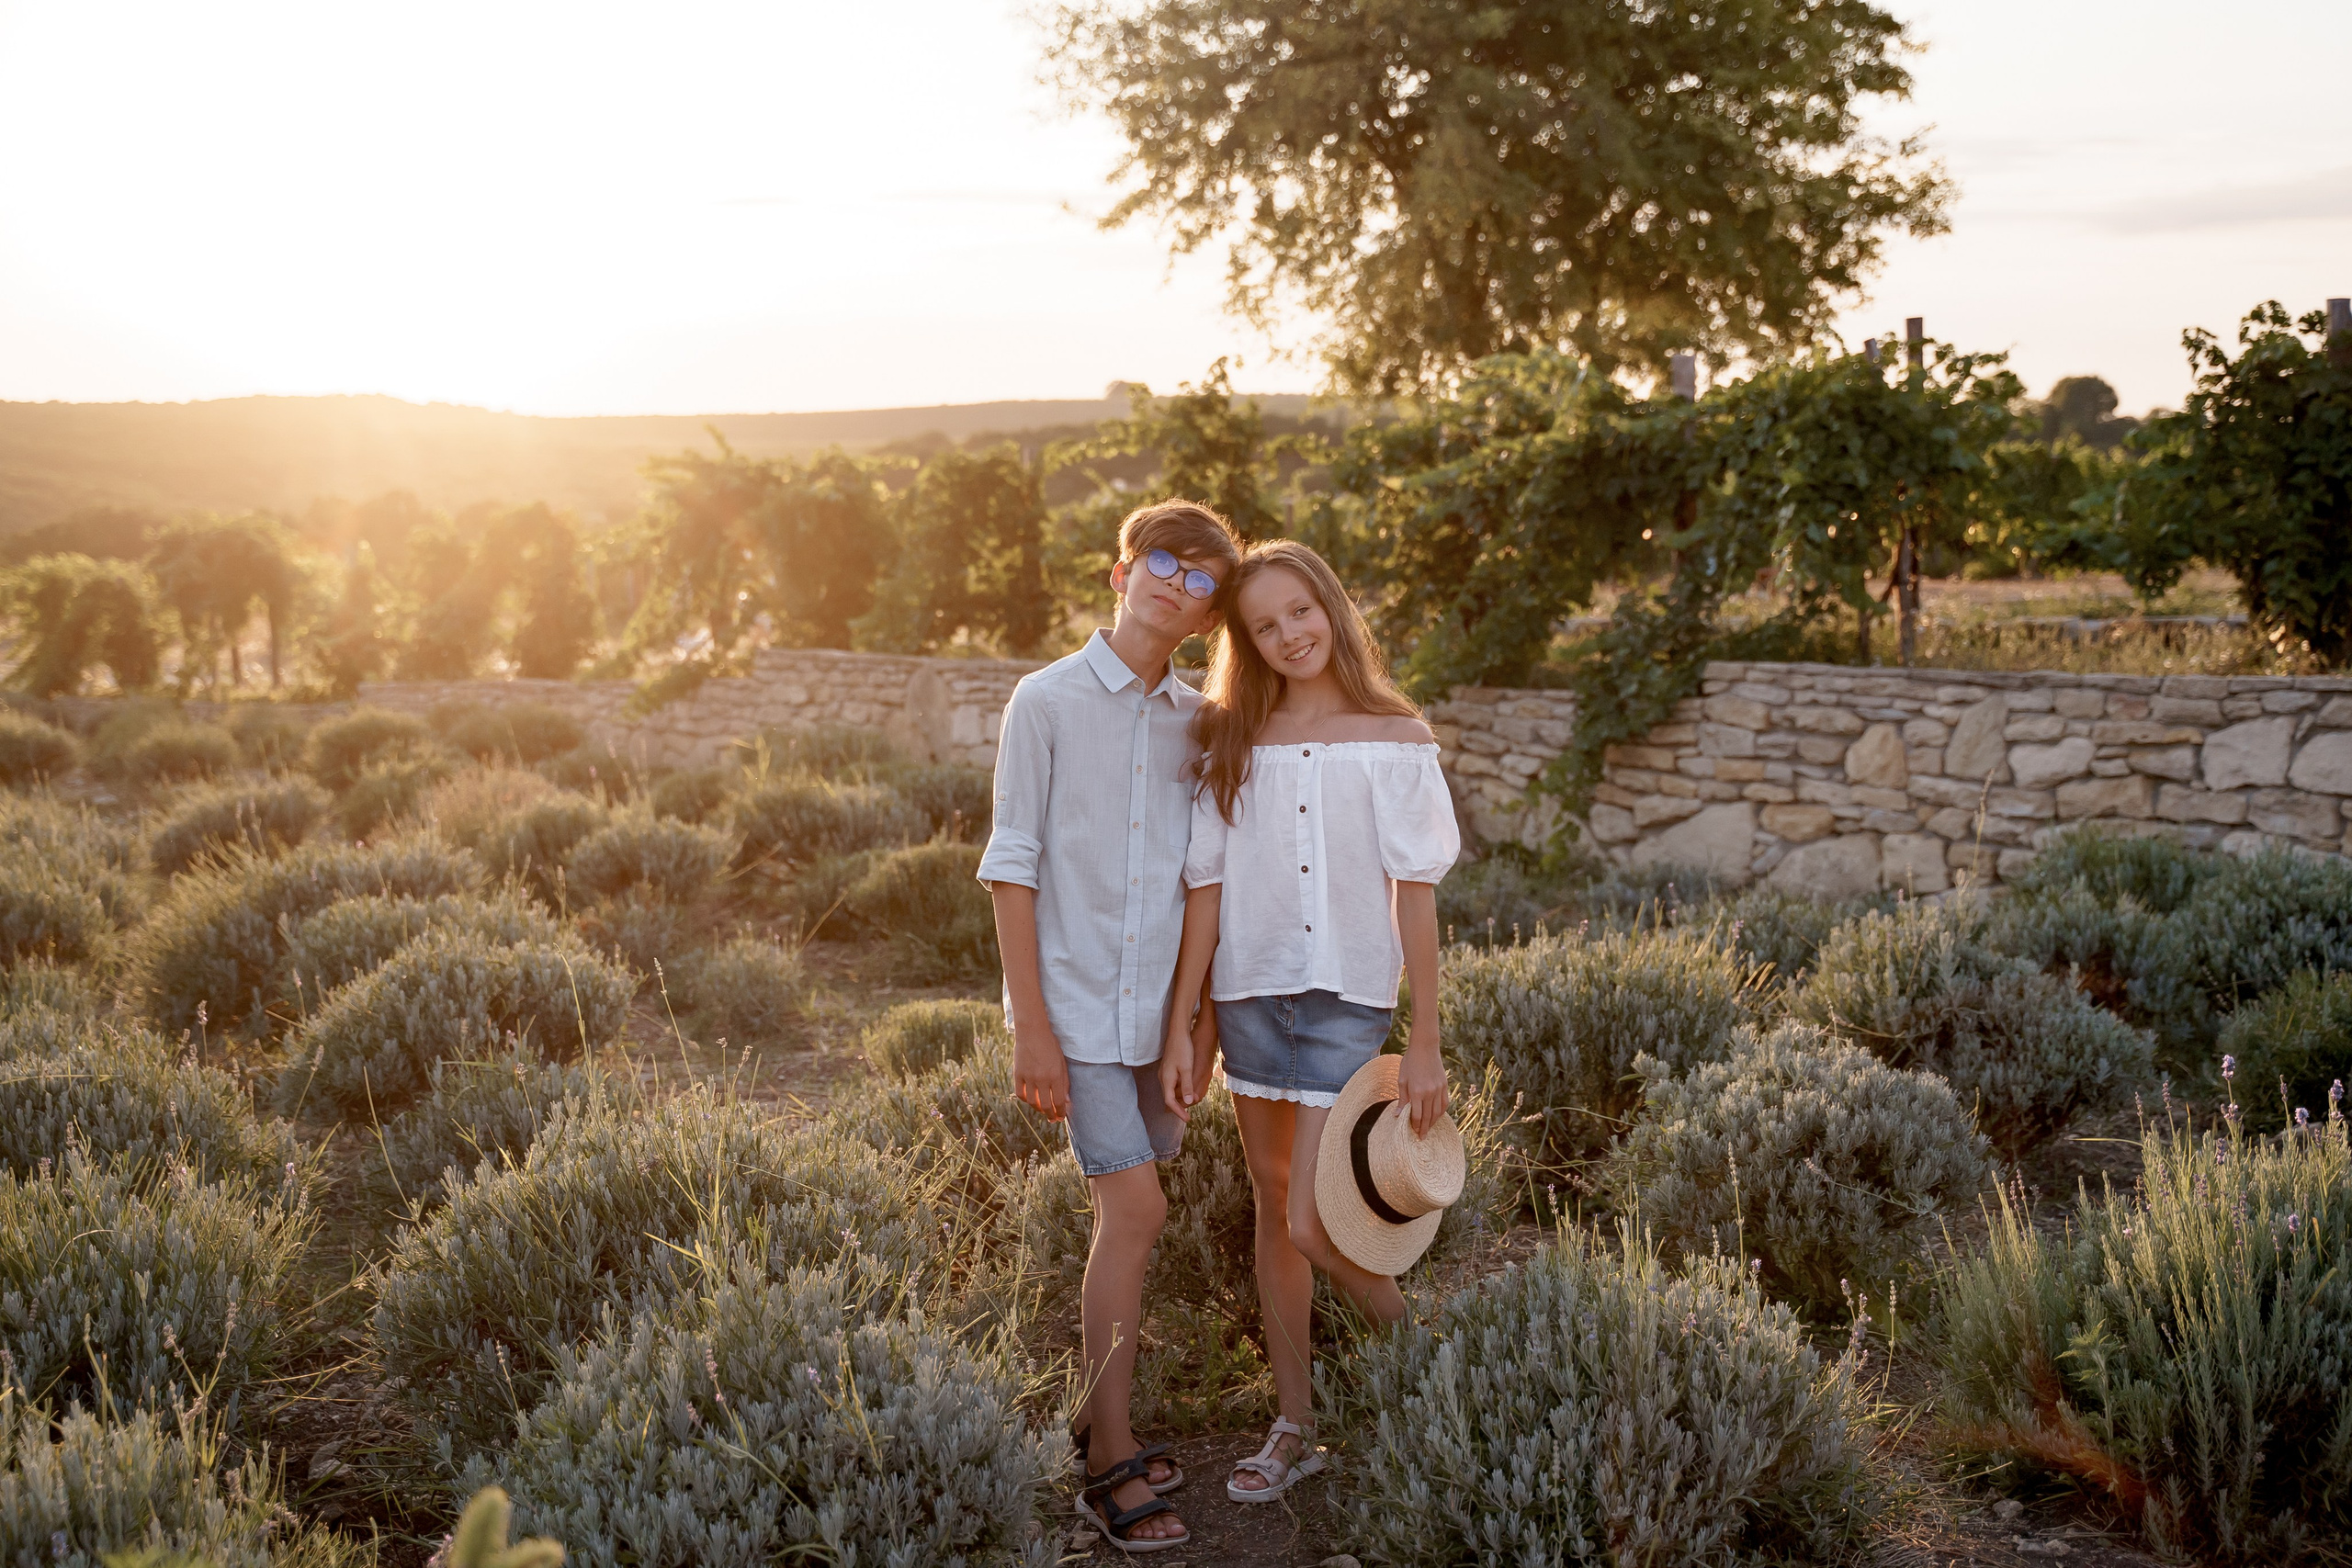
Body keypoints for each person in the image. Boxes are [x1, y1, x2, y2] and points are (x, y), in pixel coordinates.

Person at [1159, 538, 1460, 1506]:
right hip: (1250, 995)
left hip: (1346, 997)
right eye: (1263, 625)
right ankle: (1295, 1422)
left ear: (1329, 606)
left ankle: (1431, 1369)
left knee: (1314, 1218)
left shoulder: (1396, 737)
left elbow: (1414, 895)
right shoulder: (1229, 739)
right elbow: (1204, 893)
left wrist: (1424, 1041)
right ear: (1243, 642)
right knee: (1272, 1207)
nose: (1287, 634)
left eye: (1299, 611)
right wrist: (1187, 1025)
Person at [978, 499, 1242, 1555]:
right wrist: (1029, 1031)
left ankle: (1096, 1409)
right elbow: (1011, 868)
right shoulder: (1041, 702)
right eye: (1165, 565)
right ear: (1122, 570)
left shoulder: (1197, 721)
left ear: (1209, 613)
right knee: (1136, 1214)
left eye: (1204, 582)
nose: (1179, 587)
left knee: (1127, 1218)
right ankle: (1107, 1454)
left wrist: (1188, 1028)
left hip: (1152, 1023)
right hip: (1075, 1014)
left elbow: (1198, 884)